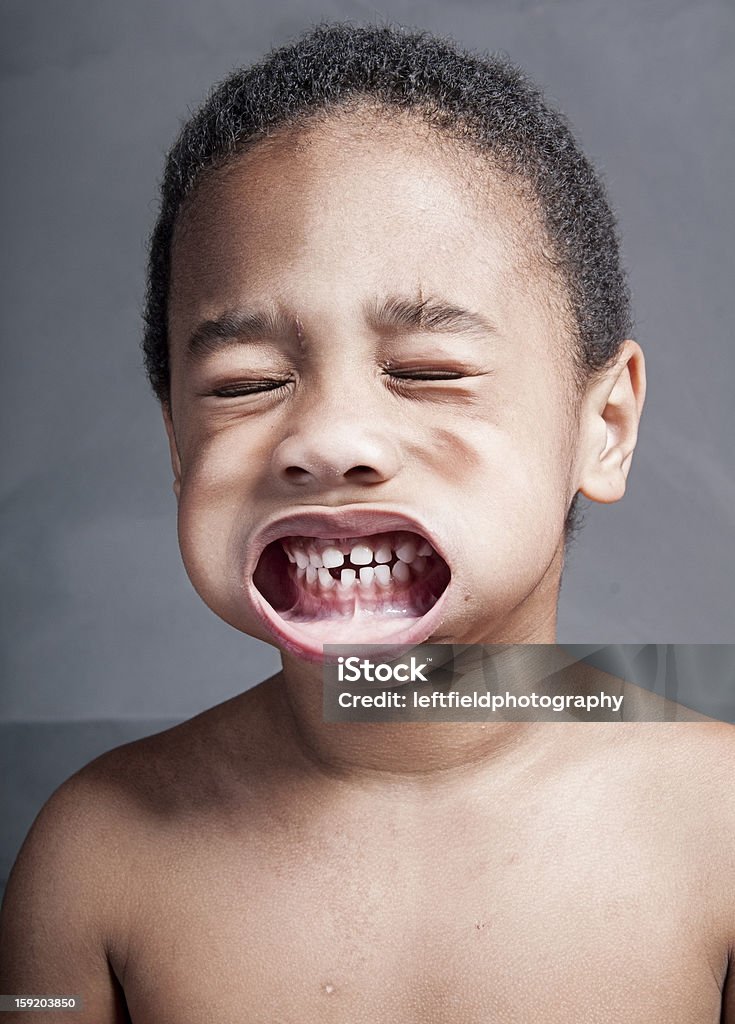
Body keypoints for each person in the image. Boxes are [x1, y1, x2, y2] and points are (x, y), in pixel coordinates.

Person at [1, 22, 732, 1022]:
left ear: (603, 426)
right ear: (177, 445)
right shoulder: (96, 856)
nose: (330, 437)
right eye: (247, 383)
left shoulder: (721, 831)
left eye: (427, 371)